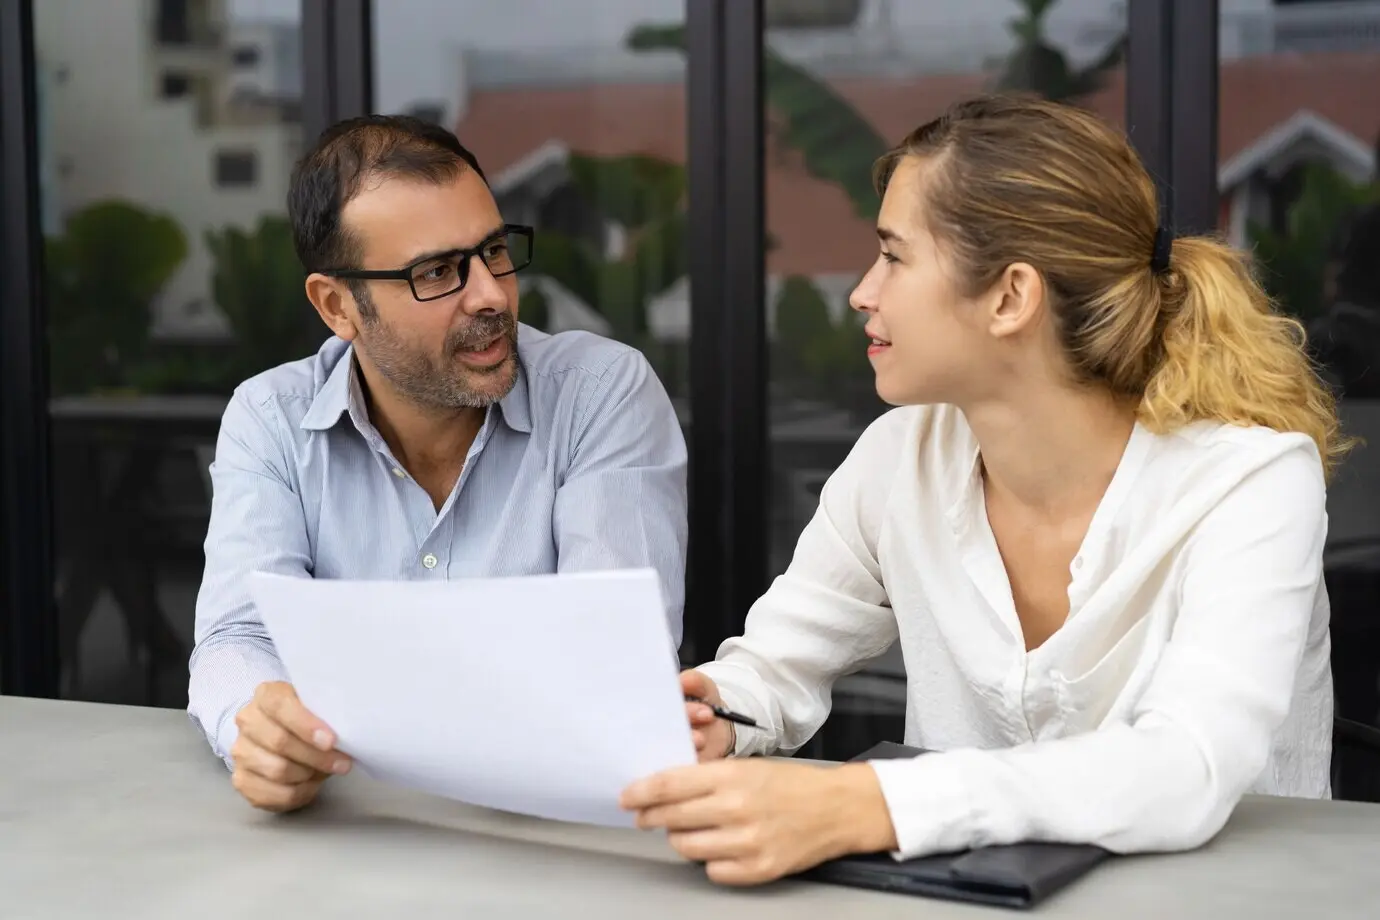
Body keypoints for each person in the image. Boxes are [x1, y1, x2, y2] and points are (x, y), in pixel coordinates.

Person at [620, 95, 1345, 886]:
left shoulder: (1252, 483)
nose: (862, 292)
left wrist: (868, 804)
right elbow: (776, 667)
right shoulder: (898, 458)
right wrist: (718, 713)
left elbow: (1189, 765)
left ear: (1010, 297)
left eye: (894, 257)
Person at [189, 115, 687, 812]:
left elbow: (612, 657)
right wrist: (262, 726)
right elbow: (236, 636)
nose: (491, 295)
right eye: (437, 272)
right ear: (337, 306)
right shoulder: (271, 417)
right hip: (349, 827)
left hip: (552, 827)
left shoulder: (599, 394)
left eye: (494, 252)